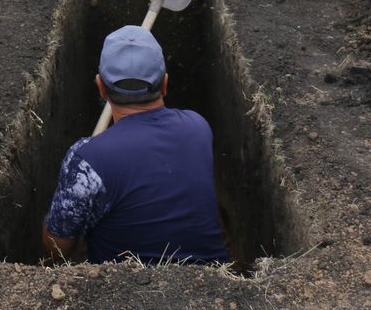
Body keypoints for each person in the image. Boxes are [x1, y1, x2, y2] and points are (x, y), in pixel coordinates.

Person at [42, 26, 230, 266]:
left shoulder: (87, 159)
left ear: (101, 88)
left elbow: (56, 251)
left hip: (125, 295)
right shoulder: (198, 127)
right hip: (213, 286)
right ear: (164, 84)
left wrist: (55, 216)